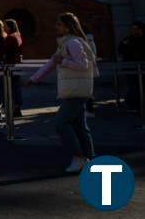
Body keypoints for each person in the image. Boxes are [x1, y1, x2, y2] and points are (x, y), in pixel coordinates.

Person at [25, 13, 97, 173]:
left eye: (59, 24)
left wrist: (63, 61)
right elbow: (51, 63)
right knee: (80, 126)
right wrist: (34, 78)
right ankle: (89, 158)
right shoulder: (66, 43)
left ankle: (79, 157)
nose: (55, 27)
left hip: (76, 89)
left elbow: (83, 64)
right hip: (77, 88)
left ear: (67, 26)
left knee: (61, 123)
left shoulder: (72, 42)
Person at [118, 21, 145, 111]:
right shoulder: (128, 39)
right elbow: (121, 49)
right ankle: (134, 105)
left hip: (142, 66)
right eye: (132, 29)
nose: (133, 31)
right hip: (130, 66)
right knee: (133, 86)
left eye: (136, 29)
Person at [2, 19, 24, 117]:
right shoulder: (18, 35)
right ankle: (17, 107)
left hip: (11, 63)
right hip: (17, 63)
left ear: (10, 27)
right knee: (16, 86)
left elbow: (3, 50)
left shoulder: (10, 37)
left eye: (5, 26)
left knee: (11, 87)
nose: (3, 28)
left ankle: (13, 108)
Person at [82, 23, 98, 117]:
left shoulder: (84, 40)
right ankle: (88, 110)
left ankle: (88, 110)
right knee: (88, 90)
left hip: (85, 67)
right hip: (89, 67)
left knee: (86, 91)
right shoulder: (89, 39)